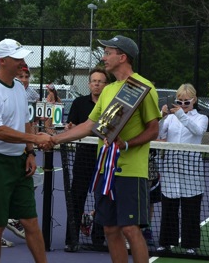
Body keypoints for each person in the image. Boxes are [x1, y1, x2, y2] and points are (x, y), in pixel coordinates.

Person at [42, 35, 161, 263]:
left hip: (131, 172)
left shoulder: (144, 87)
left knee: (130, 229)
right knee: (110, 230)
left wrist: (127, 144)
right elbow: (89, 126)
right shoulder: (108, 90)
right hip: (105, 171)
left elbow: (153, 130)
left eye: (108, 53)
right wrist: (55, 139)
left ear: (122, 57)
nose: (104, 57)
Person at [0, 38, 51, 263]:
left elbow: (25, 121)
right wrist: (35, 139)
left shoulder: (19, 87)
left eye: (22, 58)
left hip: (19, 162)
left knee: (31, 222)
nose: (22, 63)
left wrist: (30, 152)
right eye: (17, 58)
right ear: (2, 61)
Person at [157, 83, 207, 255]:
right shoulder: (170, 118)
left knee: (191, 210)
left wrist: (180, 115)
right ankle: (166, 242)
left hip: (192, 171)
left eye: (187, 102)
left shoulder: (202, 118)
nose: (183, 105)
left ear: (194, 100)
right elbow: (157, 135)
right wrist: (161, 116)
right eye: (180, 101)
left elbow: (197, 132)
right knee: (169, 208)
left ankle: (190, 245)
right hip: (171, 169)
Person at [63, 67, 110, 252]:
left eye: (101, 81)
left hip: (105, 158)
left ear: (106, 85)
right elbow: (73, 126)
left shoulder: (111, 105)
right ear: (89, 84)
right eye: (94, 81)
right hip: (83, 158)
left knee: (103, 198)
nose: (97, 83)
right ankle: (71, 239)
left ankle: (98, 239)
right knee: (77, 198)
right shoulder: (79, 103)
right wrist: (70, 128)